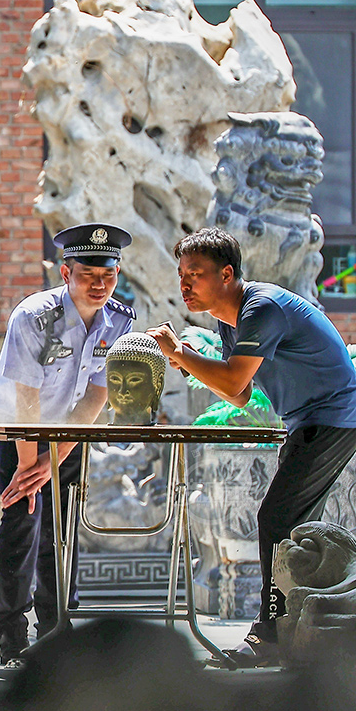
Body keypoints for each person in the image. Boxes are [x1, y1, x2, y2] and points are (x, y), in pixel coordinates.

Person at [148, 227, 356, 668]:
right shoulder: (230, 320)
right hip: (307, 422)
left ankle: (270, 635)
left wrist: (181, 353)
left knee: (277, 519)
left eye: (196, 275)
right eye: (182, 275)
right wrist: (186, 360)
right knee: (294, 529)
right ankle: (300, 630)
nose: (184, 285)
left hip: (335, 417)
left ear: (227, 274)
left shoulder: (261, 307)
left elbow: (234, 381)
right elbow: (239, 396)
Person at [0, 223, 135, 665]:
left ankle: (57, 630)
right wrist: (32, 471)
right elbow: (26, 400)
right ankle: (11, 634)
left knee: (62, 530)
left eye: (108, 275)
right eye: (88, 274)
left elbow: (96, 395)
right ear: (66, 273)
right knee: (23, 521)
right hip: (13, 430)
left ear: (118, 273)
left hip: (69, 430)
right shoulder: (34, 316)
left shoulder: (120, 320)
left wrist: (54, 459)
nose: (99, 284)